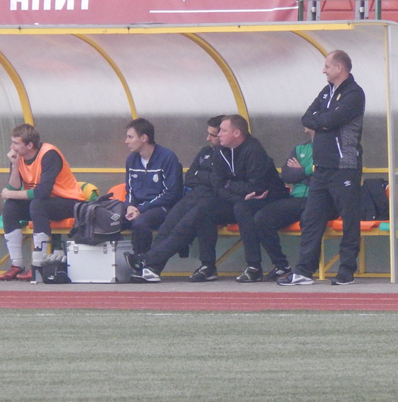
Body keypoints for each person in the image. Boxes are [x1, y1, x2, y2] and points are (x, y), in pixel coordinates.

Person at [278, 50, 365, 286]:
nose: (323, 70)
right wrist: (323, 121)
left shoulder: (354, 93)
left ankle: (346, 271)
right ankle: (304, 271)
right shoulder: (326, 92)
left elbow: (332, 120)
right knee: (311, 217)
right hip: (322, 168)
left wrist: (324, 121)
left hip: (344, 167)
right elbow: (307, 117)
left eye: (327, 66)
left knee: (349, 219)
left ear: (339, 67)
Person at [124, 116, 224, 283]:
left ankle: (147, 261)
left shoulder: (233, 153)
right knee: (167, 226)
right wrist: (130, 206)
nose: (208, 138)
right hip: (195, 197)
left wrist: (203, 176)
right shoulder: (205, 152)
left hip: (215, 201)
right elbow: (190, 178)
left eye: (213, 135)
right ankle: (151, 268)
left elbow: (218, 181)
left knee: (183, 226)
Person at [0, 124, 85, 281]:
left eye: (16, 143)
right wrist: (15, 165)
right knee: (10, 207)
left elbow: (42, 192)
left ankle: (39, 264)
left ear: (29, 145)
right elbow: (14, 187)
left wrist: (10, 193)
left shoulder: (49, 154)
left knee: (38, 204)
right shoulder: (18, 157)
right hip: (44, 203)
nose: (12, 147)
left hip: (69, 202)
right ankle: (16, 264)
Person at [236, 127, 320, 283]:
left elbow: (323, 174)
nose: (306, 125)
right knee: (262, 218)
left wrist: (302, 171)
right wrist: (309, 171)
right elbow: (287, 175)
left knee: (309, 220)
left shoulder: (332, 149)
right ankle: (281, 265)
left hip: (320, 199)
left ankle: (306, 270)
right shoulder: (300, 148)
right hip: (295, 198)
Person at [206, 114, 291, 266]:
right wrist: (236, 194)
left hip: (269, 198)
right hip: (240, 198)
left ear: (236, 133)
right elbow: (217, 186)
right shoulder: (220, 151)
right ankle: (207, 265)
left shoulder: (253, 150)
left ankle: (254, 266)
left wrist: (229, 184)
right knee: (205, 208)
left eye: (223, 131)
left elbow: (255, 188)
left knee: (244, 209)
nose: (219, 135)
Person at [122, 118, 183, 256]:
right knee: (111, 219)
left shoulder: (167, 157)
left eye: (130, 137)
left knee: (140, 223)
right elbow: (129, 189)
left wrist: (141, 209)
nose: (126, 141)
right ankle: (112, 263)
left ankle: (142, 262)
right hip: (137, 207)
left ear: (144, 138)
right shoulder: (131, 159)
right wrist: (130, 206)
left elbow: (171, 193)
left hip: (163, 207)